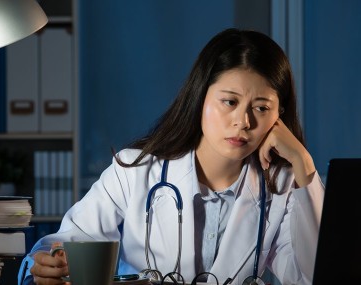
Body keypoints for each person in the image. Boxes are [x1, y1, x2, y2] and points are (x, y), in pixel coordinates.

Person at [18, 28, 324, 285]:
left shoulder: (282, 187)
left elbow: (312, 277)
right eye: (229, 101)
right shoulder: (135, 170)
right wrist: (44, 264)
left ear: (279, 116)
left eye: (261, 108)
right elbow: (68, 240)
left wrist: (304, 164)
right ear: (200, 97)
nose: (243, 122)